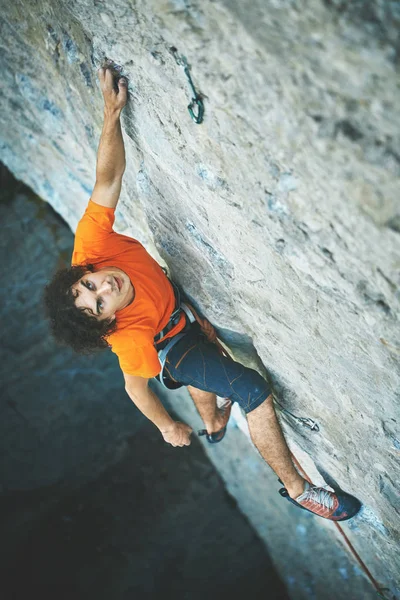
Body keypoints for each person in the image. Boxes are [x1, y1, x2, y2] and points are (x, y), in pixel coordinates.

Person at [45, 65, 361, 522]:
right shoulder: (129, 340)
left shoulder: (92, 247)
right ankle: (298, 490)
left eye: (90, 285)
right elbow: (135, 386)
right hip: (171, 345)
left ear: (84, 271)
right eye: (99, 305)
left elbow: (107, 179)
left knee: (208, 387)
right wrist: (166, 425)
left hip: (177, 308)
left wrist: (111, 115)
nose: (104, 289)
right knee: (250, 388)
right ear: (108, 321)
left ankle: (213, 423)